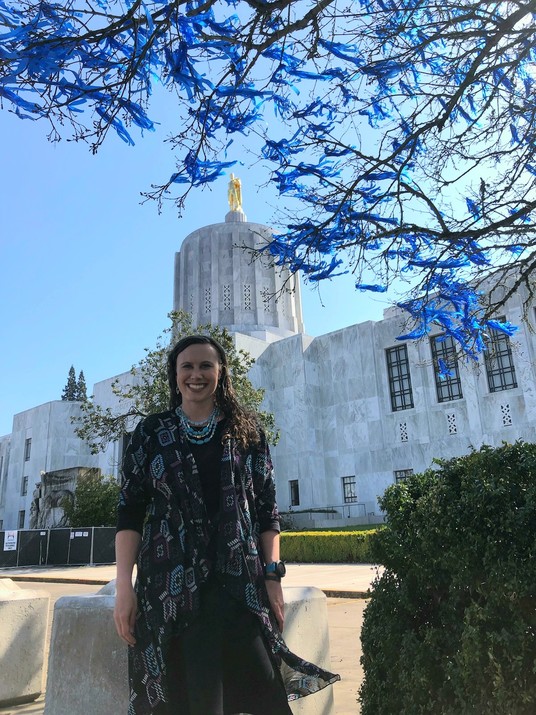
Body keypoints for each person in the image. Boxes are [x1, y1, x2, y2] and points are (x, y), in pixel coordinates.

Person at [114, 334, 339, 715]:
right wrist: (123, 585)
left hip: (239, 587)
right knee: (191, 699)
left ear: (221, 373)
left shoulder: (246, 431)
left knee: (264, 694)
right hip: (171, 591)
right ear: (175, 375)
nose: (196, 375)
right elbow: (130, 511)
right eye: (187, 366)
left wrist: (272, 576)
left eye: (206, 365)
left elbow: (267, 510)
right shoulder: (151, 433)